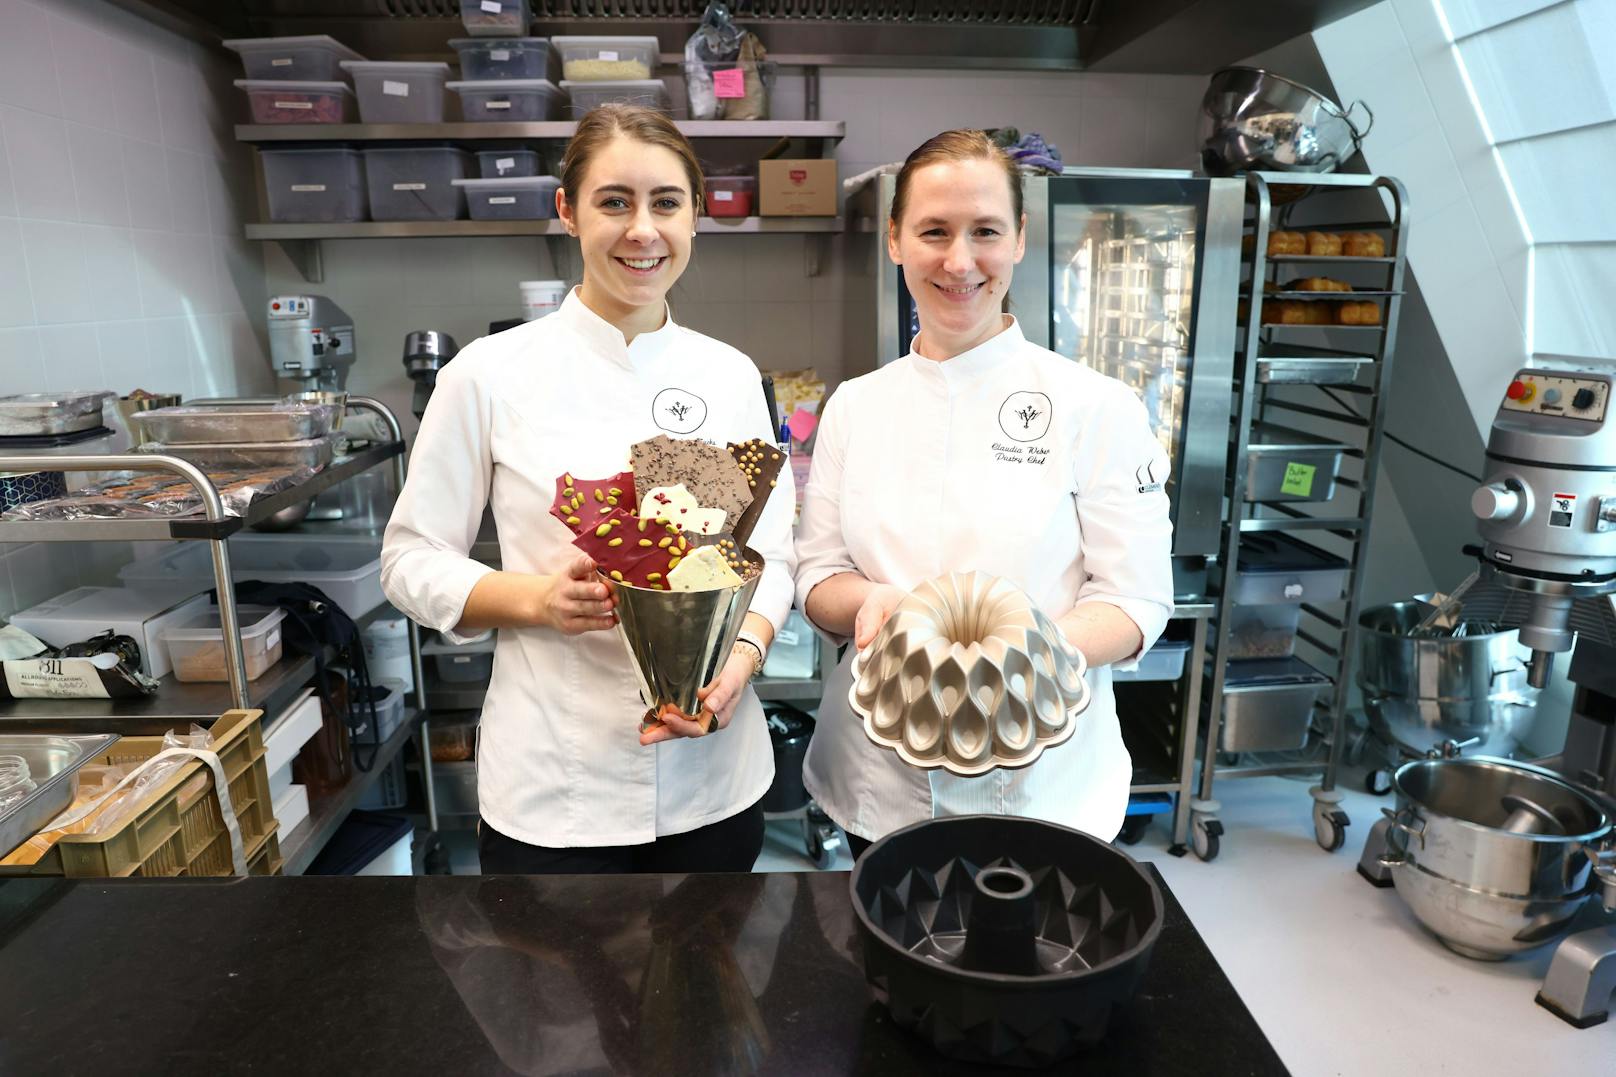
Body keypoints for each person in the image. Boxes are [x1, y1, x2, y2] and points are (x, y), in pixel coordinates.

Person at [381, 104, 796, 875]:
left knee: (713, 992)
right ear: (567, 211)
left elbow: (769, 554)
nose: (643, 230)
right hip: (556, 793)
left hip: (714, 781)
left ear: (696, 217)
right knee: (558, 999)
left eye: (666, 203)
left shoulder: (729, 374)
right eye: (614, 202)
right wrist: (540, 599)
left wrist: (740, 661)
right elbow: (409, 559)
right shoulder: (489, 373)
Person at [794, 129, 1174, 856]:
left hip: (1046, 784)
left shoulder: (1095, 406)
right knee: (883, 959)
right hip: (876, 776)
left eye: (985, 232)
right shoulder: (855, 405)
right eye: (933, 231)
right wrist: (870, 604)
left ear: (1021, 239)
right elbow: (817, 573)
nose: (959, 260)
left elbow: (1136, 599)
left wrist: (1020, 661)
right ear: (896, 241)